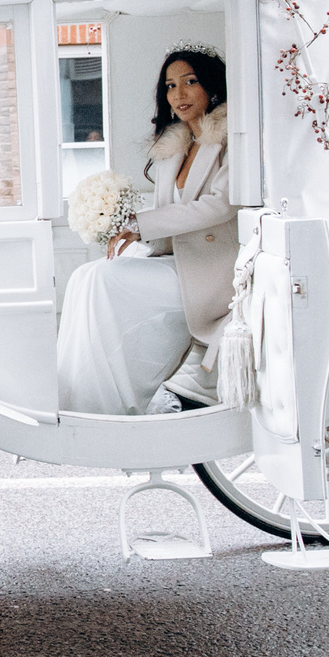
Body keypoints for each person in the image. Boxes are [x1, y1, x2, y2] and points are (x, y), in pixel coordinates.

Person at [56, 51, 241, 414]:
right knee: (86, 277)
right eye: (170, 86)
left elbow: (220, 206)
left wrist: (142, 225)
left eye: (190, 81)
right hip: (177, 262)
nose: (179, 94)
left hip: (212, 272)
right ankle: (80, 398)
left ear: (212, 86)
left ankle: (119, 403)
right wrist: (124, 222)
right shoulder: (176, 146)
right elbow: (170, 225)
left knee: (104, 281)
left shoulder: (230, 140)